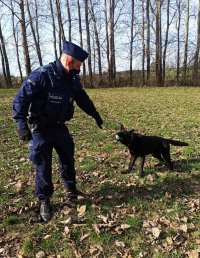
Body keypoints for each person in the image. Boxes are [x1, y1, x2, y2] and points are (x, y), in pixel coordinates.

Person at [13, 41, 103, 222]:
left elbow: (82, 99)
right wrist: (21, 124)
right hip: (41, 130)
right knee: (43, 166)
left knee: (68, 158)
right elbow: (20, 99)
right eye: (78, 66)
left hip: (60, 127)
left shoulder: (72, 80)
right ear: (69, 62)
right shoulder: (41, 76)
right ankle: (45, 200)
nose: (79, 70)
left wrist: (95, 114)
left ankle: (71, 189)